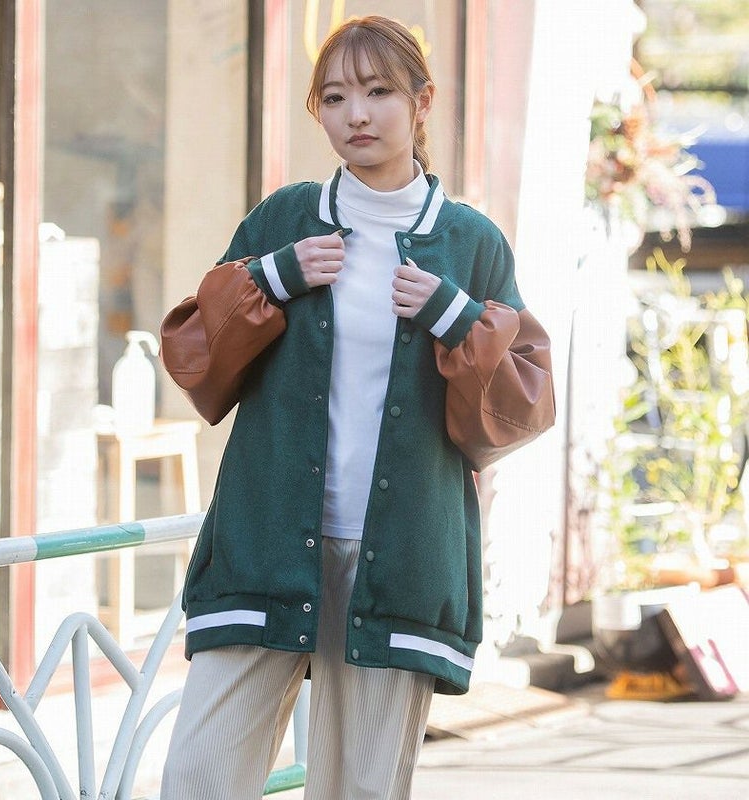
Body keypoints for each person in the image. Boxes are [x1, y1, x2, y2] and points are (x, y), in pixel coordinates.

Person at [159, 15, 555, 800]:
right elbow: (194, 355)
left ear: (421, 102)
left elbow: (523, 404)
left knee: (361, 788)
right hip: (268, 541)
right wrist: (271, 278)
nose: (357, 115)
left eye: (378, 92)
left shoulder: (469, 243)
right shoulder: (285, 220)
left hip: (399, 555)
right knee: (197, 778)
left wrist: (455, 317)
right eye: (335, 97)